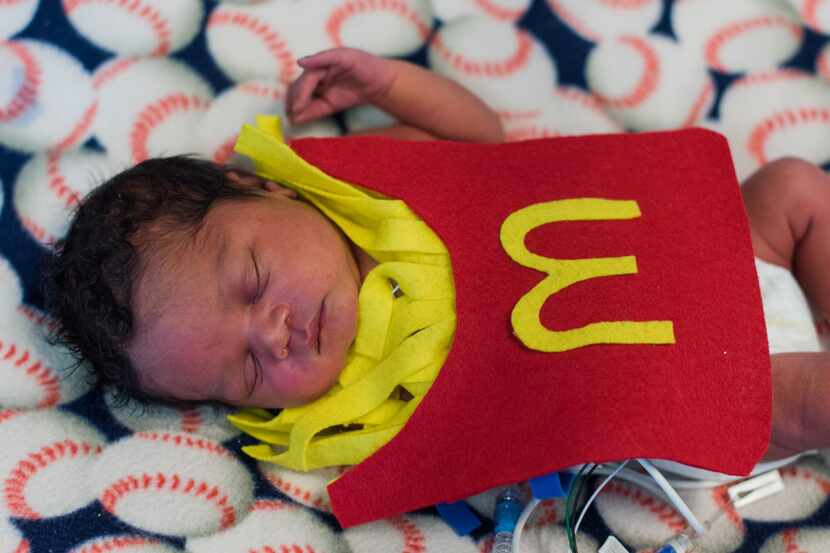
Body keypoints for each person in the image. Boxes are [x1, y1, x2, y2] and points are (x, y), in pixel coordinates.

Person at [47, 46, 827, 465]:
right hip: (702, 382)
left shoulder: (375, 183)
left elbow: (481, 143)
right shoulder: (348, 406)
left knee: (793, 188)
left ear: (265, 189)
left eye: (252, 283)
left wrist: (394, 84)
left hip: (712, 252)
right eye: (248, 371)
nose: (276, 333)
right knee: (801, 397)